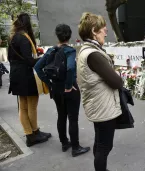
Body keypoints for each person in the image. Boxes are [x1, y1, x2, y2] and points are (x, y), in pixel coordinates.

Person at [34, 24, 90, 157]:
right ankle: (75, 148)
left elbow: (37, 67)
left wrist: (49, 83)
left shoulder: (51, 50)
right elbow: (70, 68)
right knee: (73, 118)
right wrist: (69, 85)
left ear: (57, 35)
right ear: (69, 36)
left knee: (61, 116)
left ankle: (65, 143)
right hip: (70, 89)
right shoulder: (69, 51)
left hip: (56, 89)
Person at [77, 12, 123, 171]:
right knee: (104, 146)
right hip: (103, 107)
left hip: (97, 105)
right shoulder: (94, 54)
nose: (106, 31)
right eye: (103, 28)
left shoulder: (86, 50)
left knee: (100, 143)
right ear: (94, 31)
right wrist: (117, 74)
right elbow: (117, 82)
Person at [8, 13, 51, 147]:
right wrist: (43, 58)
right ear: (27, 24)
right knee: (32, 105)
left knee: (23, 106)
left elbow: (13, 58)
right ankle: (32, 134)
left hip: (16, 75)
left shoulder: (13, 37)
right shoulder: (25, 38)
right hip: (26, 76)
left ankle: (32, 133)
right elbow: (30, 61)